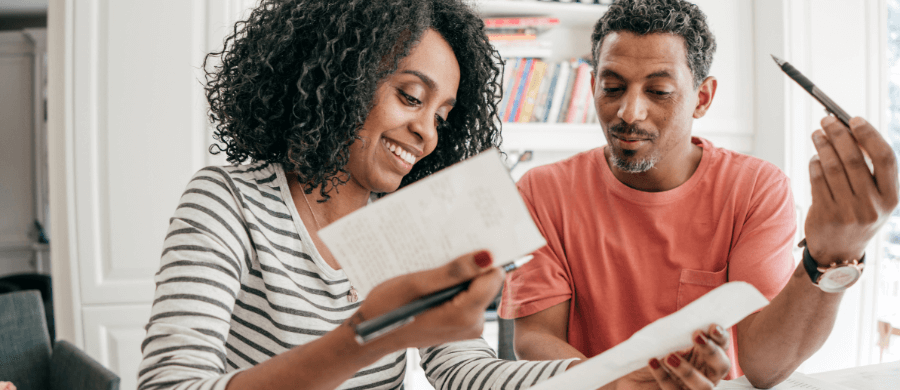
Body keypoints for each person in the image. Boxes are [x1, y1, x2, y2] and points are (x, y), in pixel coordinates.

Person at [136, 1, 731, 389]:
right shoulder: (227, 204)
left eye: (444, 115)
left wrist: (605, 379)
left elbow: (464, 370)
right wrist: (368, 336)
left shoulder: (409, 225)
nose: (427, 133)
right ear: (335, 80)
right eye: (411, 97)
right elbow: (170, 385)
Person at [498, 0, 900, 389]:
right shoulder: (541, 190)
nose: (628, 112)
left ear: (702, 98)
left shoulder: (756, 189)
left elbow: (764, 368)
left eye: (658, 91)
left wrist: (828, 257)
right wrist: (621, 387)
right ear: (593, 86)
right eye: (612, 87)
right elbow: (533, 339)